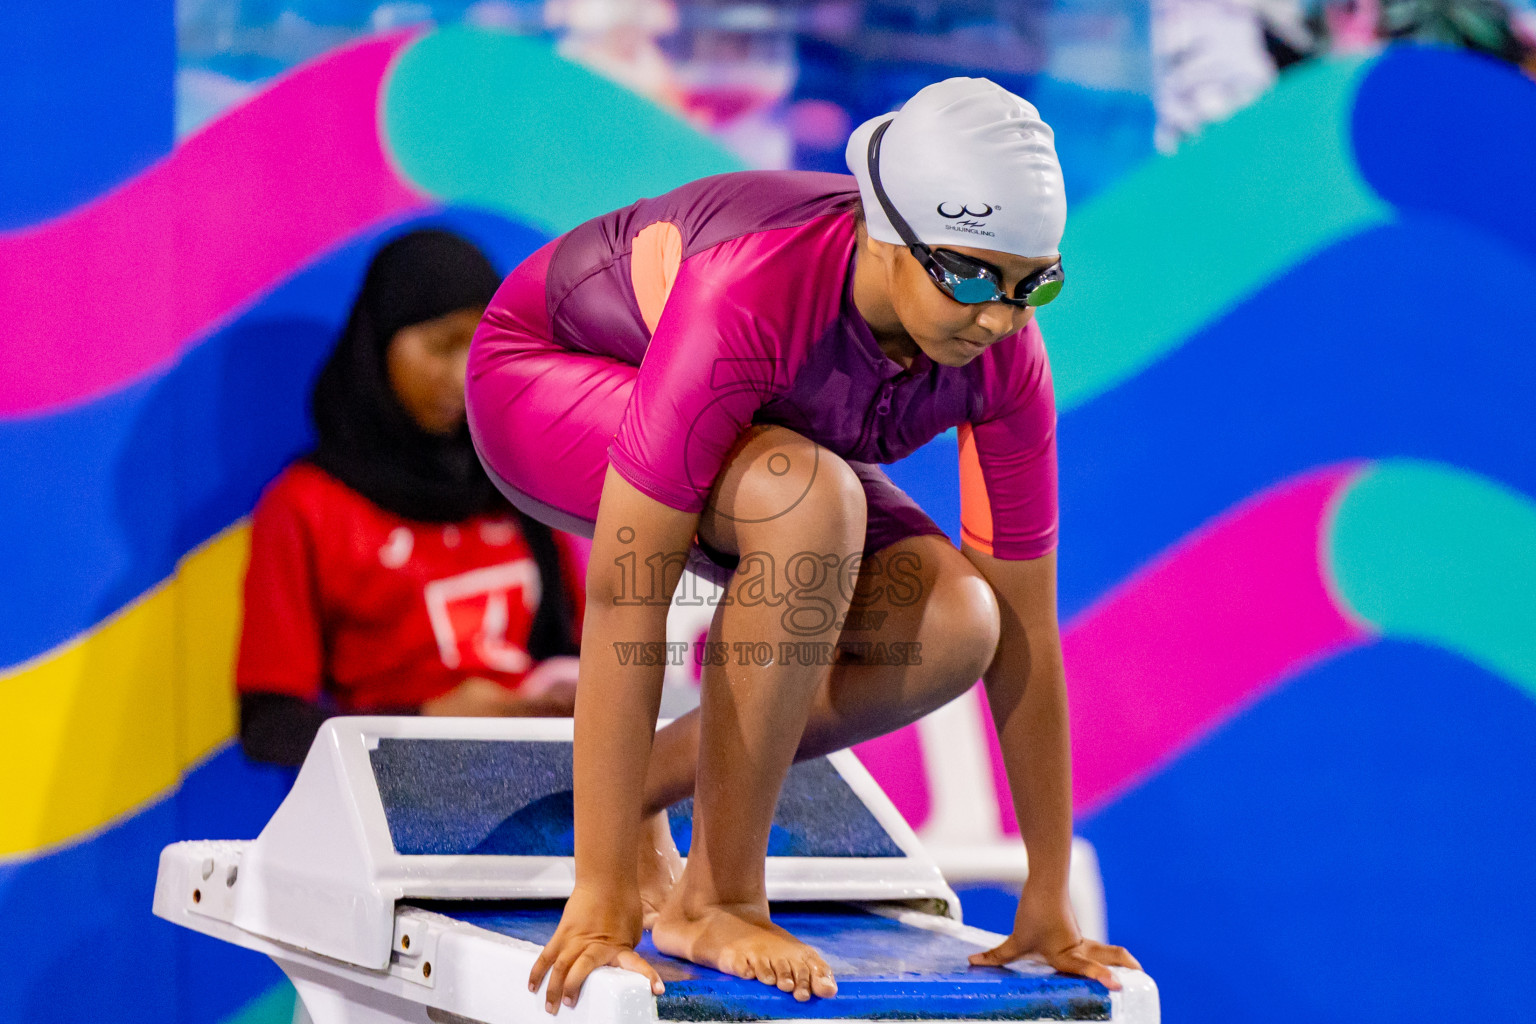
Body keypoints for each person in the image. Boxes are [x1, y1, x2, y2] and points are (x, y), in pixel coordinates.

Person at [466, 78, 1140, 1010]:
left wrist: (1047, 892)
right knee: (811, 504)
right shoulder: (752, 287)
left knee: (957, 621)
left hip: (763, 448)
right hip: (550, 377)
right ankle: (716, 895)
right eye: (971, 276)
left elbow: (1026, 629)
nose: (997, 316)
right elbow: (630, 593)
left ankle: (646, 788)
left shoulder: (1003, 358)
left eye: (1034, 284)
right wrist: (599, 893)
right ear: (886, 233)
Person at [237, 229, 588, 768]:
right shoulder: (306, 505)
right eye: (442, 344)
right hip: (389, 811)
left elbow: (579, 648)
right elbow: (270, 726)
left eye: (479, 347)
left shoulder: (514, 482)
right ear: (380, 345)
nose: (459, 374)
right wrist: (428, 723)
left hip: (545, 788)